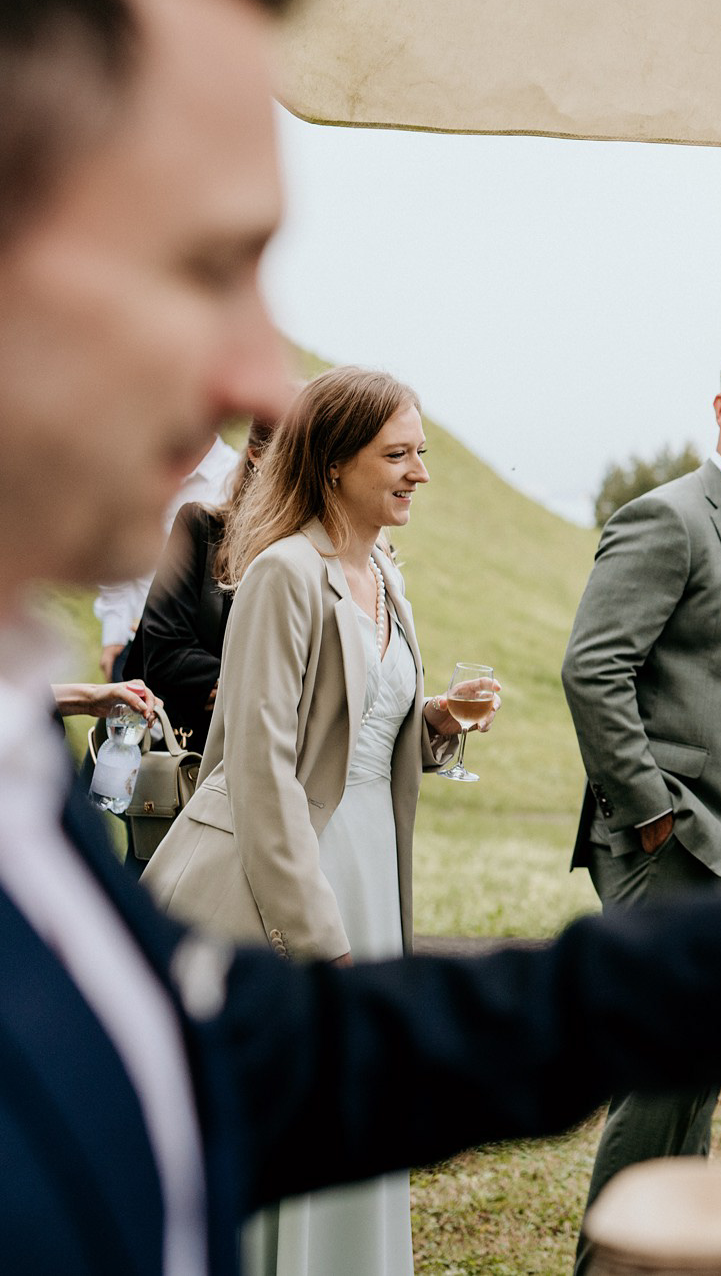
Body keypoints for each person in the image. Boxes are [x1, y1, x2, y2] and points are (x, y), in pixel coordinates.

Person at [0, 0, 721, 1273]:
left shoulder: (19, 755)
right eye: (199, 263)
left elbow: (233, 1056)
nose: (267, 380)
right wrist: (664, 819)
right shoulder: (627, 526)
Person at [140, 367, 484, 1276]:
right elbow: (260, 768)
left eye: (422, 453)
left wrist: (437, 719)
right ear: (334, 463)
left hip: (372, 856)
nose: (418, 473)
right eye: (397, 454)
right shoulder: (284, 574)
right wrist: (318, 937)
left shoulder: (385, 574)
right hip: (294, 875)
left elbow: (364, 727)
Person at [561, 339, 721, 1255]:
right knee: (663, 1072)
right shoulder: (669, 517)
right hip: (675, 845)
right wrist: (652, 810)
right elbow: (594, 669)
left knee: (701, 1070)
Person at [126, 419, 274, 755]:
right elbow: (164, 658)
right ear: (257, 456)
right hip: (187, 756)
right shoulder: (202, 528)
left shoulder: (324, 561)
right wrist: (266, 695)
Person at [95, 435, 240, 679]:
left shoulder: (235, 479)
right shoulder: (136, 470)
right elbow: (116, 551)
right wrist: (114, 635)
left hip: (196, 660)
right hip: (134, 649)